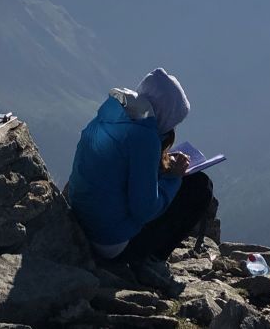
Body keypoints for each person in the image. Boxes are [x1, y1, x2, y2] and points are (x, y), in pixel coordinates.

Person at [65, 68, 215, 296]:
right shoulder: (144, 139)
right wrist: (174, 177)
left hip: (83, 222)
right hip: (111, 243)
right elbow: (145, 211)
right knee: (200, 187)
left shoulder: (112, 114)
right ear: (166, 114)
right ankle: (151, 262)